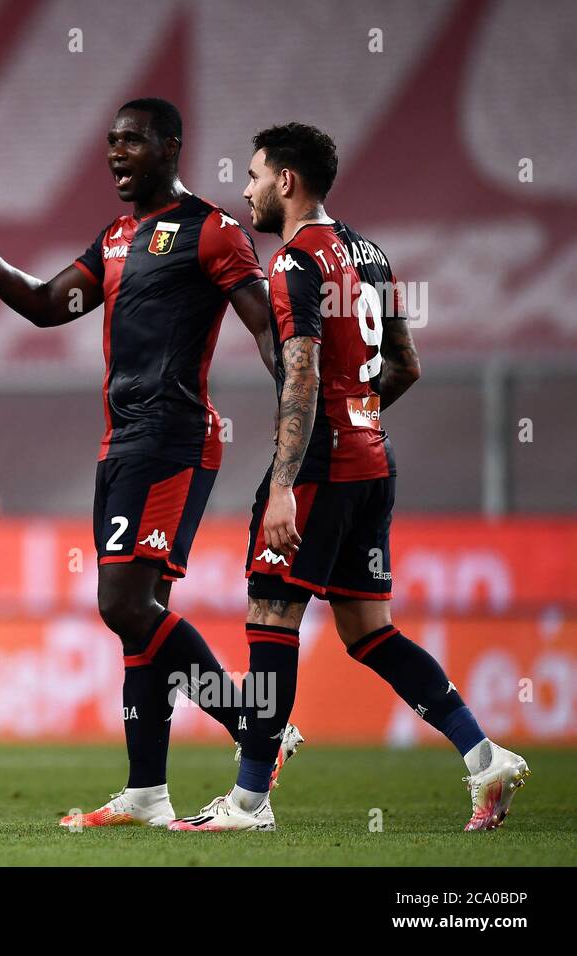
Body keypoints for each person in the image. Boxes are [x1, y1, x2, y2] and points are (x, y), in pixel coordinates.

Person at [0, 98, 300, 829]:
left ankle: (255, 729)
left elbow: (268, 331)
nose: (116, 153)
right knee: (139, 616)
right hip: (121, 446)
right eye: (110, 141)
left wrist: (297, 408)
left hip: (175, 441)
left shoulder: (213, 230)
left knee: (124, 607)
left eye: (132, 141)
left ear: (171, 145)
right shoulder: (113, 238)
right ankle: (146, 791)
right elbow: (47, 305)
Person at [170, 123, 529, 833]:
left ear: (287, 182)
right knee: (368, 630)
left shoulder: (296, 262)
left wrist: (281, 482)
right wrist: (357, 417)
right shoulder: (371, 254)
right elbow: (407, 363)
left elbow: (298, 373)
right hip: (372, 461)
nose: (244, 190)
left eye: (253, 176)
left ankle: (248, 803)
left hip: (322, 472)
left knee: (271, 615)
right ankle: (484, 756)